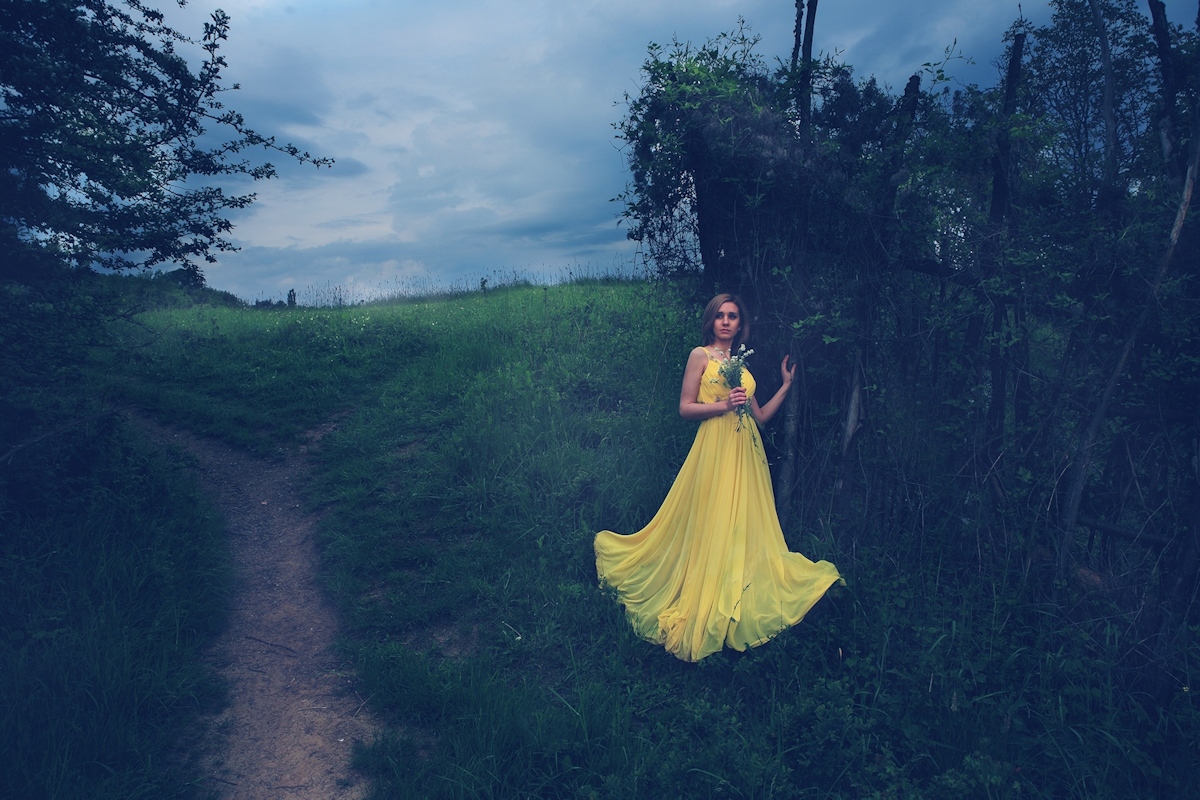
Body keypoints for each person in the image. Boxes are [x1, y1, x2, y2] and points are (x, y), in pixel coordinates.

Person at [595, 293, 842, 662]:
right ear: (712, 322)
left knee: (742, 523)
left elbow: (759, 417)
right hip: (714, 447)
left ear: (741, 325)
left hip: (747, 452)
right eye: (720, 316)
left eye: (733, 316)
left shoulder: (740, 363)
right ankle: (702, 588)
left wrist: (786, 385)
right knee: (712, 517)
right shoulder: (701, 355)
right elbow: (684, 408)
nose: (726, 322)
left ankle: (736, 586)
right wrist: (724, 405)